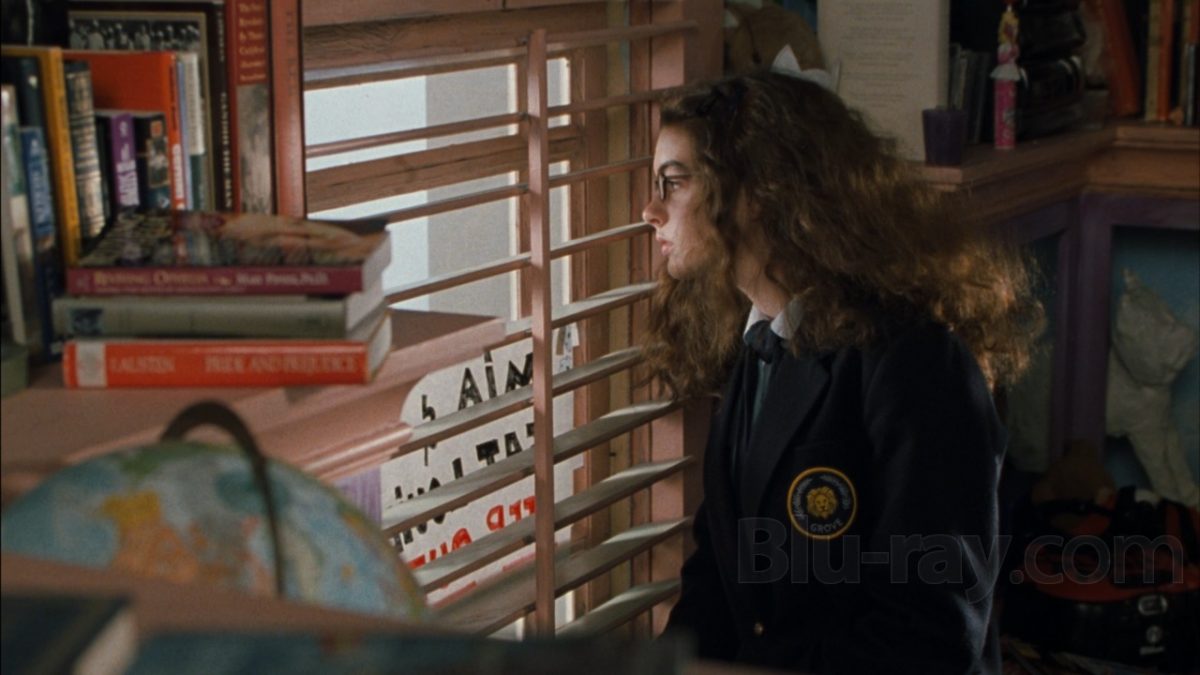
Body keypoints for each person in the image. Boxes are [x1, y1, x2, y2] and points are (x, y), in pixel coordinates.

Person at [642, 69, 1041, 673]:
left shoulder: (917, 363)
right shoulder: (757, 344)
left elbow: (929, 638)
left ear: (758, 190)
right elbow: (717, 584)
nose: (650, 211)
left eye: (673, 183)